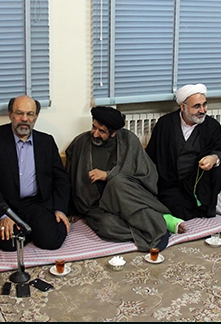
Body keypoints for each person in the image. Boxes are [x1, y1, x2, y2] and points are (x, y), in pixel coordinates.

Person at [65, 107, 186, 252]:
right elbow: (69, 176)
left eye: (102, 131)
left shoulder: (128, 140)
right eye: (94, 127)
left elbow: (145, 174)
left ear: (114, 133)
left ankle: (158, 222)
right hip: (100, 206)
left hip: (127, 197)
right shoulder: (81, 143)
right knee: (107, 226)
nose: (95, 134)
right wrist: (70, 209)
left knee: (117, 182)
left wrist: (108, 175)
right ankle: (155, 222)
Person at [0, 95, 70, 251]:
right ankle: (26, 229)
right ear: (10, 114)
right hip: (6, 205)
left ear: (36, 116)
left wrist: (60, 209)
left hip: (36, 204)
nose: (24, 119)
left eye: (30, 114)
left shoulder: (46, 141)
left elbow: (61, 179)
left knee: (52, 241)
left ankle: (31, 229)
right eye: (19, 113)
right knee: (10, 243)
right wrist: (4, 215)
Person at [146, 83, 221, 220]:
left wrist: (214, 158)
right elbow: (151, 156)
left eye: (204, 105)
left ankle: (206, 205)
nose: (202, 110)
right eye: (197, 106)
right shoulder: (165, 124)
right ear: (183, 107)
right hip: (171, 183)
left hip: (198, 183)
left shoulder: (211, 126)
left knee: (220, 171)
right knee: (176, 210)